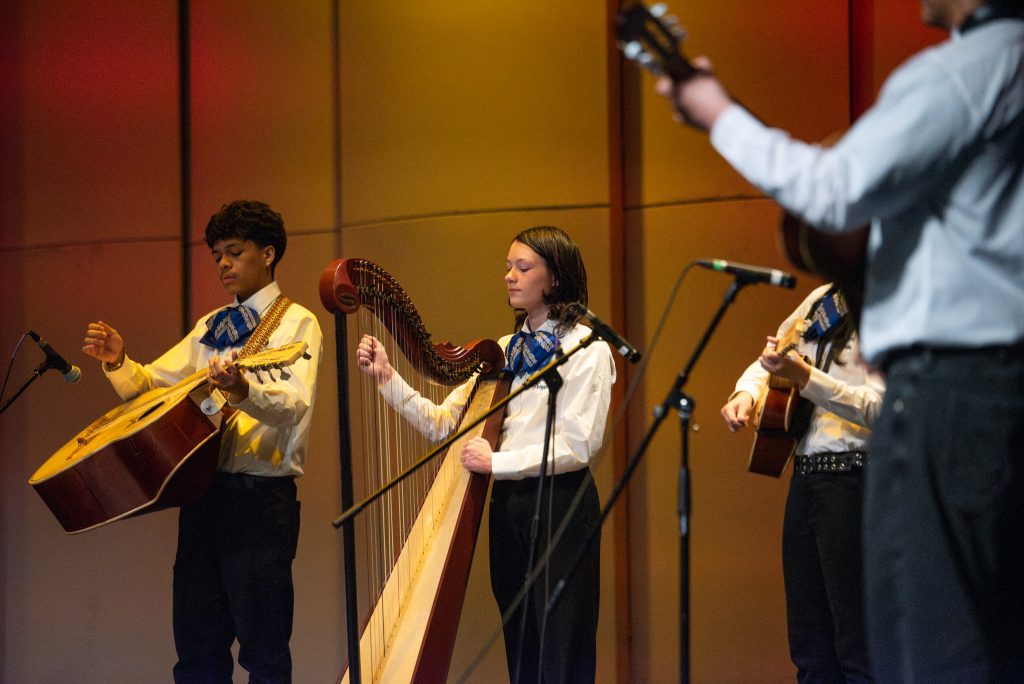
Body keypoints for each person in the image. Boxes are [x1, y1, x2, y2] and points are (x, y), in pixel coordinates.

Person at [656, 0, 1024, 679]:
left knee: (923, 648)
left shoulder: (967, 70)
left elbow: (830, 190)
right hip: (973, 401)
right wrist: (750, 388)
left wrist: (715, 112)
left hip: (951, 397)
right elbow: (778, 354)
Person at [356, 226, 615, 683]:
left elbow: (579, 445)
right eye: (508, 266)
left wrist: (497, 462)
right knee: (520, 642)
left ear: (553, 280)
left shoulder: (587, 349)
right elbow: (444, 423)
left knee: (561, 645)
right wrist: (387, 379)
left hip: (562, 505)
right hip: (510, 507)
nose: (509, 277)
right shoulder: (507, 350)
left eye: (523, 267)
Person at [82, 200, 322, 683]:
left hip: (260, 503)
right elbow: (154, 386)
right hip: (202, 495)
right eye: (216, 255)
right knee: (196, 650)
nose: (223, 264)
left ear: (269, 254)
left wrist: (243, 389)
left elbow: (293, 405)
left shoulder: (298, 324)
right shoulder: (212, 327)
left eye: (234, 252)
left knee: (265, 652)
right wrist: (119, 362)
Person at [721, 285, 883, 682]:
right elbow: (772, 358)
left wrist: (807, 378)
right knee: (809, 643)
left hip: (854, 478)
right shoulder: (824, 298)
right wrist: (747, 392)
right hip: (806, 477)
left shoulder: (887, 299)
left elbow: (881, 407)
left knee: (856, 639)